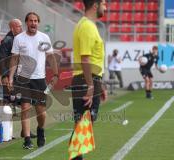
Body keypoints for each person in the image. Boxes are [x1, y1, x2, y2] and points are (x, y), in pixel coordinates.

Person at [9, 12, 58, 149]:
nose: (33, 23)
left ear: (38, 23)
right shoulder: (19, 38)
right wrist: (11, 77)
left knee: (41, 112)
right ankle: (27, 139)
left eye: (36, 21)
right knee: (25, 108)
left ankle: (40, 130)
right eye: (31, 21)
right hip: (23, 79)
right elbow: (14, 58)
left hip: (39, 79)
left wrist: (55, 74)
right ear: (26, 23)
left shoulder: (44, 37)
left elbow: (50, 57)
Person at [69, 0, 107, 160]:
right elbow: (85, 59)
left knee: (83, 125)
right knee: (83, 125)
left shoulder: (86, 25)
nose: (106, 7)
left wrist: (99, 84)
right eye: (104, 3)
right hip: (86, 81)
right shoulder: (87, 26)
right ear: (95, 5)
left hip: (89, 80)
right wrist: (91, 86)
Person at [0, 19, 22, 103]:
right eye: (18, 26)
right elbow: (1, 58)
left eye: (21, 26)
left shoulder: (19, 39)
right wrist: (4, 76)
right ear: (12, 28)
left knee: (19, 99)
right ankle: (7, 114)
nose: (21, 28)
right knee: (9, 99)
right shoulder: (7, 40)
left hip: (19, 73)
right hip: (9, 74)